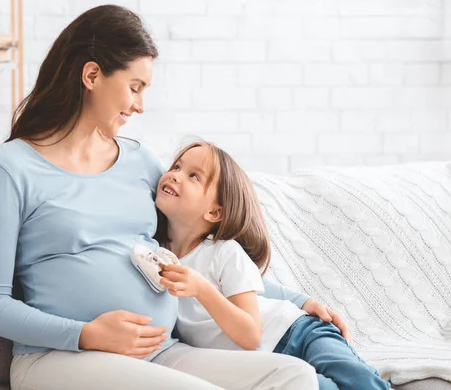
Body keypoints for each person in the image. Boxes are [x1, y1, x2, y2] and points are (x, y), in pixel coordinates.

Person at [0, 4, 322, 390]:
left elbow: (197, 253)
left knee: (294, 376)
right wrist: (86, 333)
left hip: (159, 352)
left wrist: (298, 300)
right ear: (91, 75)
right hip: (59, 358)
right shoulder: (8, 170)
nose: (140, 105)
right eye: (134, 87)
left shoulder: (142, 162)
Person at [154, 140, 391, 390]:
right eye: (177, 166)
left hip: (298, 331)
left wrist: (202, 289)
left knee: (360, 382)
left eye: (194, 176)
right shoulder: (155, 252)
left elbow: (250, 333)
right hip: (270, 366)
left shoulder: (224, 252)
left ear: (215, 212)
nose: (175, 175)